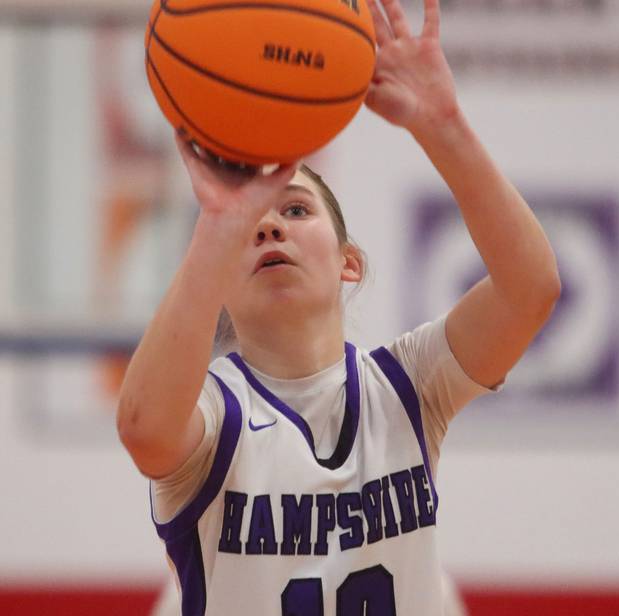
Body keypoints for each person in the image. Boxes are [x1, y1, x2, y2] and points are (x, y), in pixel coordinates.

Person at [117, 0, 560, 613]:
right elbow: (144, 429)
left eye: (295, 209)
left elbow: (530, 290)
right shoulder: (217, 416)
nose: (269, 226)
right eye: (251, 225)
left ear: (348, 262)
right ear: (216, 278)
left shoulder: (407, 388)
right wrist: (220, 220)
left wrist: (442, 122)